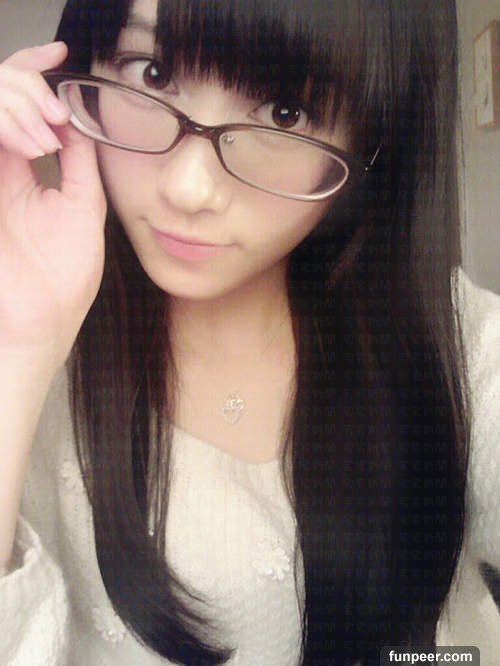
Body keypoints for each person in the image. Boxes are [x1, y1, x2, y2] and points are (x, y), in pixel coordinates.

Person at [0, 0, 498, 664]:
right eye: (151, 73)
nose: (189, 188)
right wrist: (16, 347)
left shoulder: (456, 345)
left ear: (374, 137)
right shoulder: (36, 354)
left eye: (285, 112)